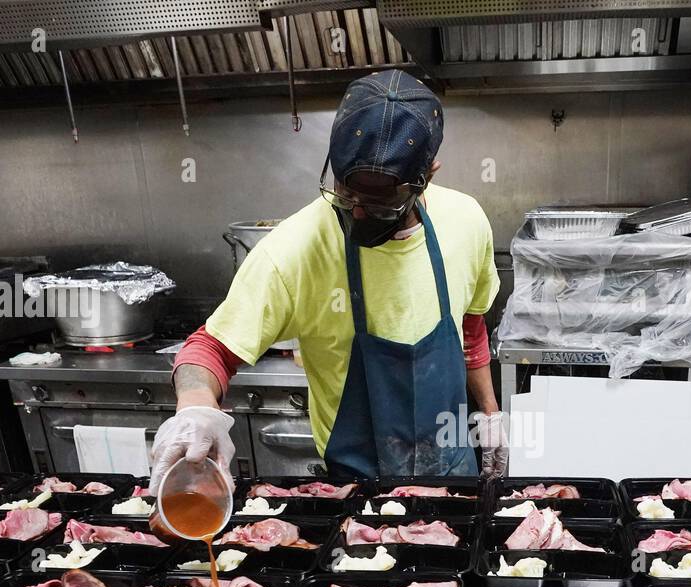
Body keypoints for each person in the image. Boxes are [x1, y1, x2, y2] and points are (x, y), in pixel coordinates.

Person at [149, 69, 506, 494]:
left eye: (378, 202)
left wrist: (489, 414)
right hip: (356, 492)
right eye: (345, 192)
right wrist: (194, 409)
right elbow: (209, 349)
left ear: (428, 174)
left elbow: (471, 326)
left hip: (453, 475)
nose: (355, 213)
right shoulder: (293, 250)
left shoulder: (466, 222)